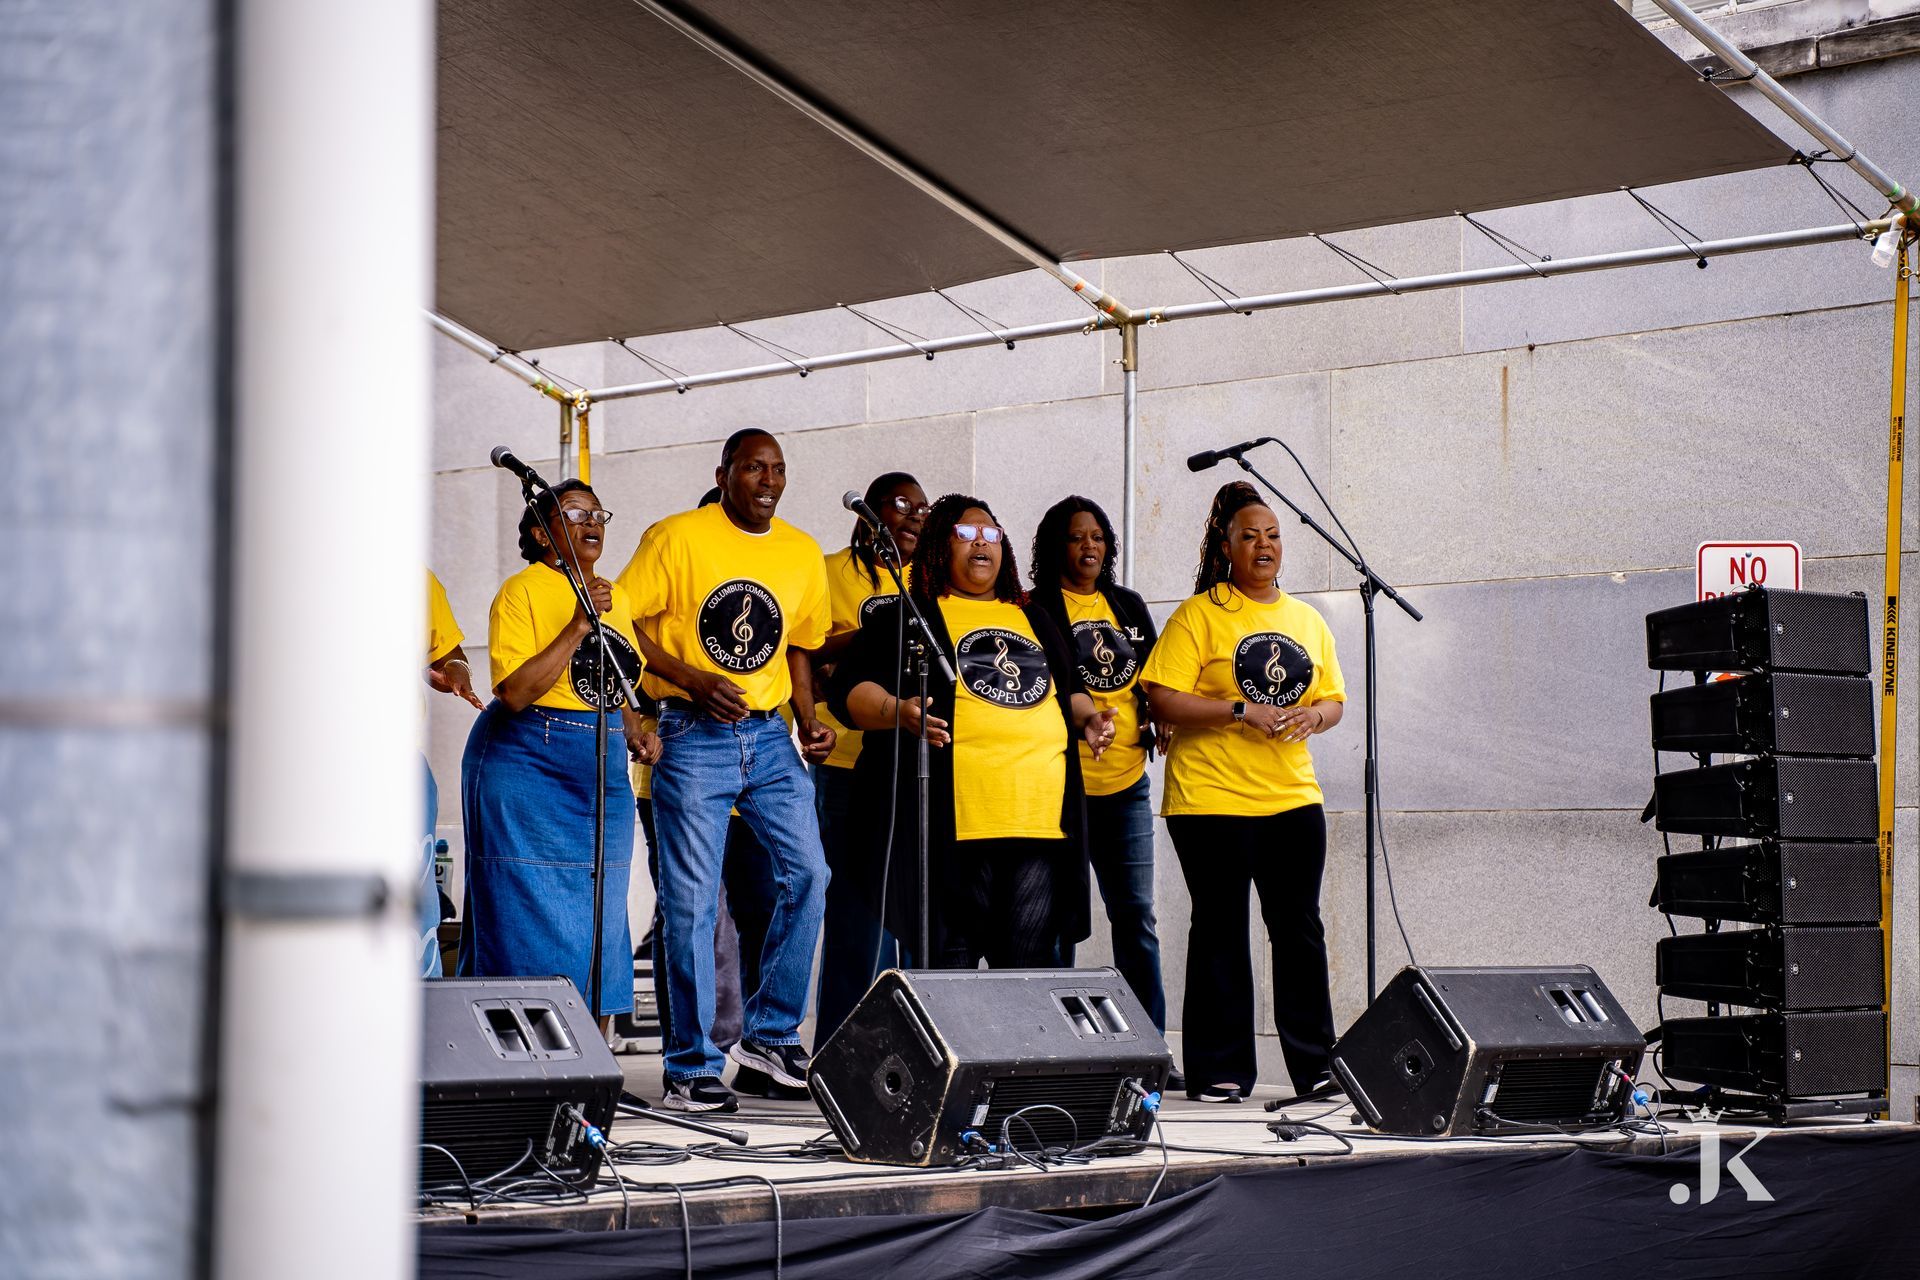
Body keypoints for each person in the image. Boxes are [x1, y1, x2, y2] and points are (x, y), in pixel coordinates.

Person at [616, 429, 833, 1113]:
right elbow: (621, 624)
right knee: (692, 902)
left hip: (769, 737)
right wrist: (686, 676)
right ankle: (688, 1066)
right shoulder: (676, 537)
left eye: (776, 469)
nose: (766, 480)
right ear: (725, 472)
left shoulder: (800, 551)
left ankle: (769, 1033)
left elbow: (799, 644)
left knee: (811, 875)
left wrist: (806, 717)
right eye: (752, 468)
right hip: (691, 732)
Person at [829, 494, 1115, 969]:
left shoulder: (1033, 615)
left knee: (1029, 967)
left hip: (1037, 819)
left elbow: (1070, 690)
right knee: (951, 966)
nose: (980, 542)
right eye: (965, 534)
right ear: (941, 545)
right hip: (950, 826)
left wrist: (1090, 721)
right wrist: (897, 709)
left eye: (990, 534)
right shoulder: (910, 615)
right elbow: (847, 690)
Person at [1140, 480, 1345, 1103]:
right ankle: (1219, 1070)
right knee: (1221, 930)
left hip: (1291, 797)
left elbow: (1332, 700)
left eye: (1273, 535)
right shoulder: (1199, 614)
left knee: (1299, 930)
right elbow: (1160, 694)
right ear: (1225, 547)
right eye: (1249, 536)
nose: (1264, 545)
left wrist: (1315, 717)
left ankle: (1315, 1068)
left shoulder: (1306, 618)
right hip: (1211, 800)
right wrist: (1237, 710)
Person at [458, 481, 657, 1027]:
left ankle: (589, 1060)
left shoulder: (615, 597)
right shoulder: (520, 591)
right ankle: (524, 1056)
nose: (591, 522)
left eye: (597, 513)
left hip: (598, 760)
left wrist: (635, 729)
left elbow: (611, 685)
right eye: (573, 514)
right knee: (523, 905)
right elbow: (516, 692)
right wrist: (576, 624)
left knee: (601, 905)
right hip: (526, 758)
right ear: (539, 531)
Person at [1027, 496, 1178, 1088]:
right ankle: (1062, 1056)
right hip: (1061, 789)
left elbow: (1158, 678)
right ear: (1054, 547)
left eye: (1098, 538)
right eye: (1076, 538)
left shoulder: (1127, 606)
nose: (1089, 547)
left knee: (1135, 917)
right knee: (1060, 924)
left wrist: (1158, 713)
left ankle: (1150, 1052)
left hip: (1125, 787)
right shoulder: (1036, 608)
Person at [811, 472, 928, 1041]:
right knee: (857, 908)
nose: (914, 516)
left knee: (912, 906)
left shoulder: (928, 577)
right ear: (869, 515)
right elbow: (804, 649)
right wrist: (868, 637)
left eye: (923, 508)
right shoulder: (830, 571)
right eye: (901, 505)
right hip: (844, 761)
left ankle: (906, 1039)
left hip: (916, 765)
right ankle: (842, 1040)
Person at [422, 569, 483, 978]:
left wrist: (457, 670)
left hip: (395, 757)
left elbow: (446, 652)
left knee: (413, 896)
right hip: (298, 758)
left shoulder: (413, 577)